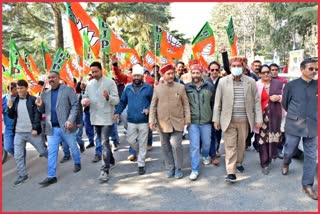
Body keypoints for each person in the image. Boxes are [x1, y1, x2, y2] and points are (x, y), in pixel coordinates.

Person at [213, 56, 262, 183]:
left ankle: (239, 162)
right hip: (228, 121)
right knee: (230, 146)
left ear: (243, 67)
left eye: (238, 66)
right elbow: (217, 102)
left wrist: (259, 118)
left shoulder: (250, 81)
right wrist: (216, 120)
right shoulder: (223, 81)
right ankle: (231, 172)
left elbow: (257, 101)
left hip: (244, 120)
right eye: (233, 66)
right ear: (230, 68)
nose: (236, 68)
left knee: (241, 145)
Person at [35, 71, 81, 187]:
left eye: (53, 77)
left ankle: (77, 162)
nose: (51, 79)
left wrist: (71, 120)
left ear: (59, 78)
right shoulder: (45, 93)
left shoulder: (67, 90)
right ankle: (51, 176)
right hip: (52, 128)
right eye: (49, 77)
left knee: (73, 147)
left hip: (66, 126)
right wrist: (39, 105)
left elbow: (75, 105)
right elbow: (42, 111)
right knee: (52, 152)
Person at [281, 58, 318, 200]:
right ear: (302, 70)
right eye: (311, 69)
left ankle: (307, 185)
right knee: (289, 149)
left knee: (311, 156)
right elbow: (285, 104)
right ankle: (286, 161)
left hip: (313, 125)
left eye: (316, 69)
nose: (314, 71)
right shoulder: (291, 85)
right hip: (294, 124)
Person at [149, 64, 191, 179]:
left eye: (172, 73)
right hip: (163, 123)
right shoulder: (157, 89)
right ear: (163, 75)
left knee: (176, 145)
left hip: (178, 122)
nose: (171, 75)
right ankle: (170, 167)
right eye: (168, 74)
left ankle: (178, 168)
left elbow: (186, 104)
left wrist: (187, 119)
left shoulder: (180, 87)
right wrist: (151, 120)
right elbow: (153, 106)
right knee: (165, 146)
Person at [82, 61, 119, 183]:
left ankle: (105, 170)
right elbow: (84, 97)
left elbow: (116, 100)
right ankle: (111, 159)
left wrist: (108, 97)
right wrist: (84, 101)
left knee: (103, 142)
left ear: (101, 70)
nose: (94, 74)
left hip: (107, 118)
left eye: (96, 71)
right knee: (104, 142)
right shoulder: (90, 84)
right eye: (92, 72)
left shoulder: (110, 82)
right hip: (94, 117)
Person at [113, 64, 153, 175]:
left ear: (142, 76)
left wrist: (148, 109)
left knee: (143, 142)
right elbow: (122, 102)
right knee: (131, 141)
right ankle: (141, 151)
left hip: (143, 121)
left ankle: (141, 164)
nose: (136, 78)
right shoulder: (128, 88)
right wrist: (117, 112)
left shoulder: (148, 88)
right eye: (134, 75)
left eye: (138, 76)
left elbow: (153, 102)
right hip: (131, 120)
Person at [7, 80, 48, 186]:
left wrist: (35, 128)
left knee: (43, 151)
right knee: (18, 155)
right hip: (19, 133)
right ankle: (22, 175)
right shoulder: (14, 100)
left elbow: (37, 115)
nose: (19, 90)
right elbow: (11, 116)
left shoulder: (33, 100)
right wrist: (10, 107)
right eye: (17, 88)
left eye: (21, 88)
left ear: (26, 88)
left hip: (32, 132)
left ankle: (52, 160)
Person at [185, 60, 215, 181]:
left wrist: (213, 117)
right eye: (193, 73)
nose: (195, 75)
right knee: (194, 146)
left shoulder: (209, 86)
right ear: (191, 74)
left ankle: (206, 155)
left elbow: (214, 103)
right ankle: (195, 169)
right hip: (193, 122)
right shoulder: (186, 88)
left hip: (206, 121)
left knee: (206, 143)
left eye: (198, 73)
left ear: (201, 73)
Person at [254, 65, 284, 175]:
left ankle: (271, 156)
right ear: (260, 74)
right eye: (263, 72)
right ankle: (264, 163)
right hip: (260, 118)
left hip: (275, 118)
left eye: (268, 72)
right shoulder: (256, 85)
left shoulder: (279, 84)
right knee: (262, 141)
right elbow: (252, 101)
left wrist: (279, 98)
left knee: (272, 139)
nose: (266, 74)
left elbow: (286, 96)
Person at [206, 61, 223, 161]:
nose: (214, 72)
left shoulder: (223, 80)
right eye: (212, 70)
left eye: (216, 70)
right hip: (208, 109)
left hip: (220, 110)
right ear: (209, 70)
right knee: (210, 133)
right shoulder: (204, 81)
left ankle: (216, 149)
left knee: (218, 132)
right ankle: (211, 153)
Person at [2, 82, 18, 157]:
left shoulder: (20, 98)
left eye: (16, 89)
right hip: (8, 128)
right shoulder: (4, 99)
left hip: (19, 127)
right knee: (7, 147)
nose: (16, 91)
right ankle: (18, 157)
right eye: (14, 89)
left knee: (19, 146)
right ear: (9, 90)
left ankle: (20, 159)